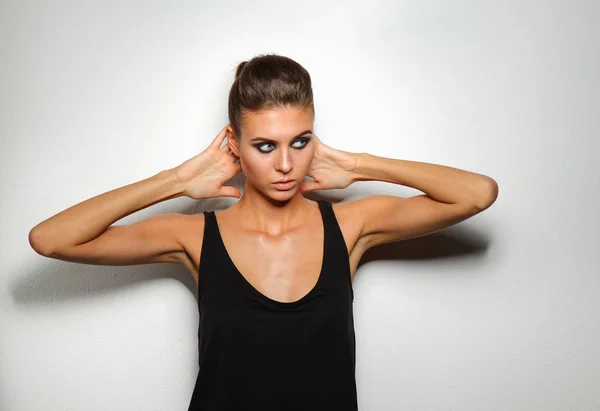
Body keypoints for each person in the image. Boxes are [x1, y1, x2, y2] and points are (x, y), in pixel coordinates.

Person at [29, 53, 498, 410]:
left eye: (300, 142)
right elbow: (51, 239)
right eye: (264, 146)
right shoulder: (194, 237)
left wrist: (356, 165)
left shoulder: (351, 226)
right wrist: (177, 181)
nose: (286, 165)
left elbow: (477, 193)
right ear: (234, 144)